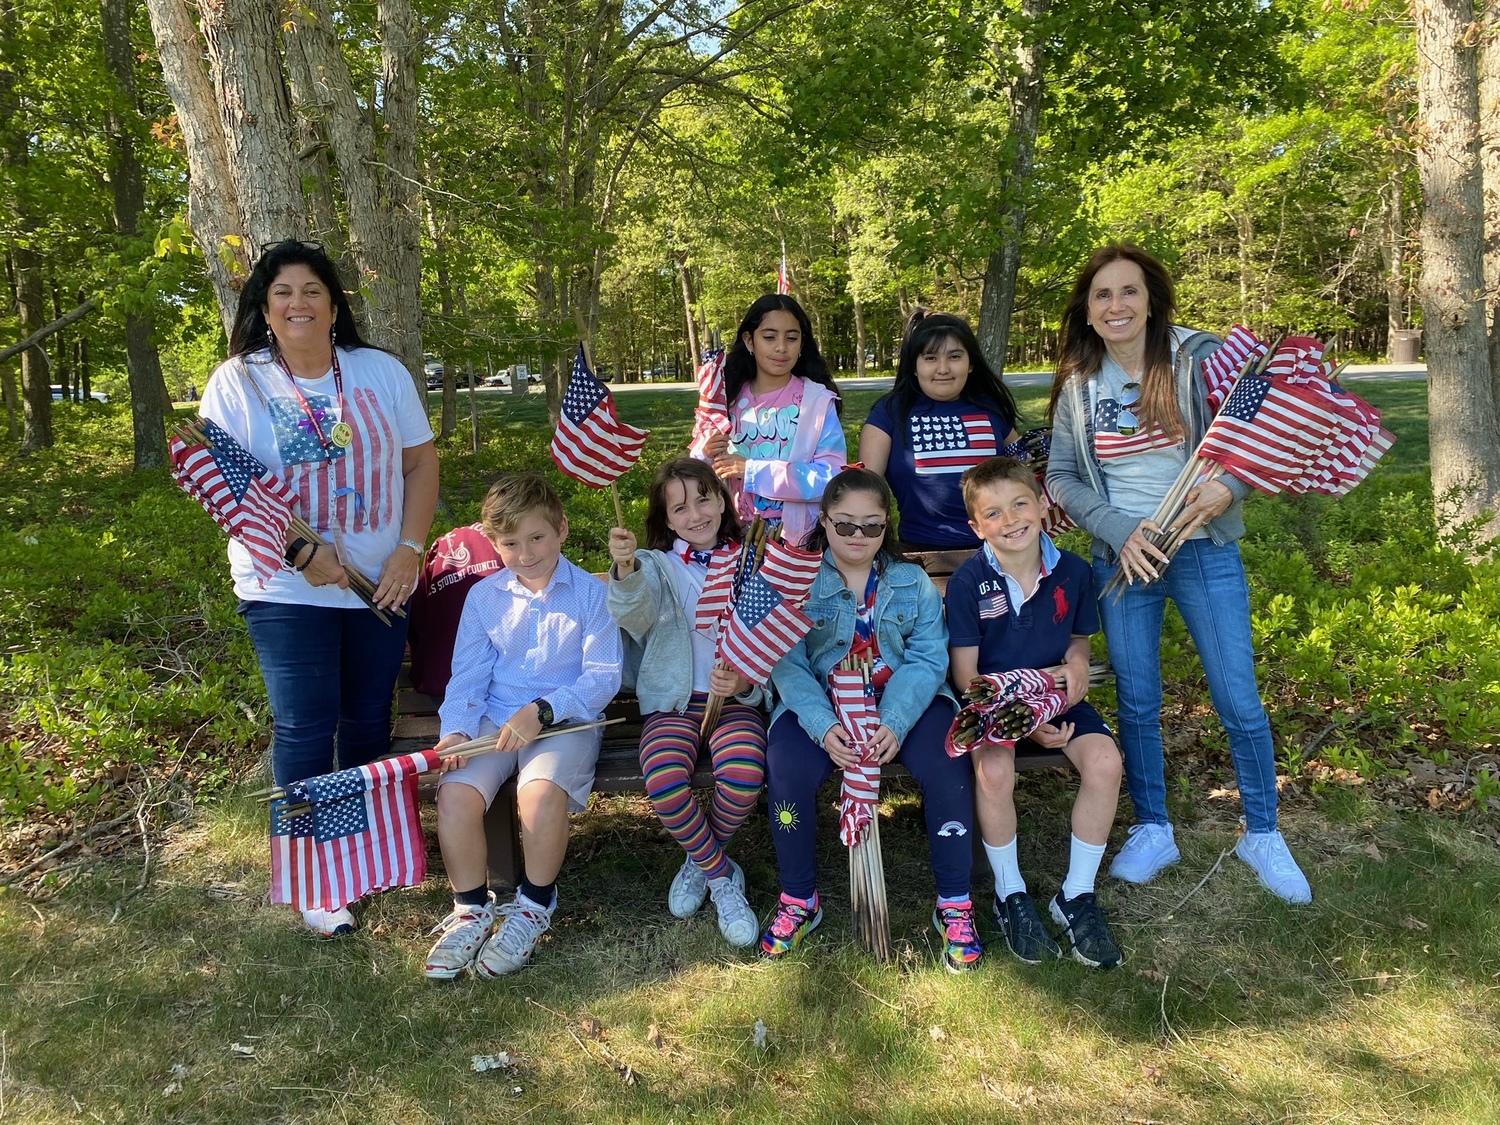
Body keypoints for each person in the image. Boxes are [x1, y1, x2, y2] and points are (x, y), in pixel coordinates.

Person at [1045, 243, 1312, 904]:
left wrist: (1231, 487)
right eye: (1102, 294)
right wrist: (1116, 528)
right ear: (1087, 306)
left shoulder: (1199, 356)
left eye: (1128, 291)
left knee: (1236, 695)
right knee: (1137, 698)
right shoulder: (1080, 381)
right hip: (1126, 557)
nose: (1116, 305)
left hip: (1202, 548)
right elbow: (1060, 476)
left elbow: (1254, 443)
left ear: (1151, 297)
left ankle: (1263, 831)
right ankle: (1154, 825)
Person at [199, 239, 438, 937]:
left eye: (312, 291)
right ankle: (311, 869)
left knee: (366, 723)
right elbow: (227, 487)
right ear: (264, 308)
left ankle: (356, 853)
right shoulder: (238, 383)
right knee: (306, 725)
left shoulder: (378, 373)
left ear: (334, 305)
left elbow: (420, 465)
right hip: (283, 589)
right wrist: (300, 550)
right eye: (282, 293)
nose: (298, 303)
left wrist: (409, 550)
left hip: (377, 585)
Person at [763, 468, 982, 972]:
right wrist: (821, 725)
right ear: (823, 521)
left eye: (872, 526)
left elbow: (929, 658)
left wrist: (894, 720)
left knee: (949, 764)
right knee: (788, 770)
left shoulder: (912, 582)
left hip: (902, 702)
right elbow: (788, 663)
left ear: (887, 526)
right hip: (821, 701)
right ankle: (800, 897)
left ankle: (954, 902)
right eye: (844, 526)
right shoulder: (799, 580)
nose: (858, 537)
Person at [423, 473, 622, 980]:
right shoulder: (484, 597)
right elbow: (467, 675)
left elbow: (602, 678)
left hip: (565, 720)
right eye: (510, 543)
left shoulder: (590, 595)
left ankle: (533, 906)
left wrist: (544, 709)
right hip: (495, 717)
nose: (526, 552)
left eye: (537, 537)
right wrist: (459, 731)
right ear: (494, 544)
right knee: (456, 797)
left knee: (537, 794)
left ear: (561, 529)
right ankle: (470, 911)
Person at [946, 457, 1125, 968]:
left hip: (1058, 698)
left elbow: (1077, 641)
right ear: (977, 526)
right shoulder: (968, 582)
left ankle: (1075, 895)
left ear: (1043, 504)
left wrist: (1077, 659)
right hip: (994, 706)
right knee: (996, 770)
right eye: (994, 514)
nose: (1011, 520)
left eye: (1020, 504)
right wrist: (1025, 716)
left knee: (1105, 763)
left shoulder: (1073, 572)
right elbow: (966, 678)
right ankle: (1010, 891)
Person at [606, 458, 765, 948]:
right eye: (680, 507)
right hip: (675, 702)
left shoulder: (752, 561)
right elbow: (633, 612)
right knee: (665, 781)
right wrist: (626, 566)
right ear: (667, 519)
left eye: (703, 498)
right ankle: (719, 876)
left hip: (733, 702)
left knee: (743, 776)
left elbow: (770, 643)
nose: (694, 513)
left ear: (722, 500)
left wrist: (745, 684)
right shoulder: (656, 567)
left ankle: (697, 858)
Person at [860, 310, 1021, 551]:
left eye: (955, 356)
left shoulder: (991, 409)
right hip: (920, 553)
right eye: (930, 358)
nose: (943, 368)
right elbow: (865, 491)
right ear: (914, 366)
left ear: (971, 363)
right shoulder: (890, 412)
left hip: (998, 550)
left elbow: (1026, 473)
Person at [699, 294, 846, 545]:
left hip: (799, 542)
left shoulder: (817, 403)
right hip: (731, 540)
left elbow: (832, 478)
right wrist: (704, 453)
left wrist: (753, 470)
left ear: (802, 344)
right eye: (769, 337)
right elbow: (697, 473)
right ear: (749, 341)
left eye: (791, 338)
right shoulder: (724, 399)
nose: (781, 347)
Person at [406, 522, 505, 697]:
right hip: (500, 687)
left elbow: (417, 619)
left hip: (441, 679)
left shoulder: (443, 544)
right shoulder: (521, 547)